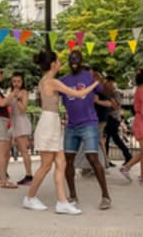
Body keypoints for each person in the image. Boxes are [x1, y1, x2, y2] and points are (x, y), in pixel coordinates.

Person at [23, 50, 99, 215]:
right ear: (53, 64)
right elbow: (79, 94)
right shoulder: (51, 81)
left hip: (53, 123)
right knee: (46, 165)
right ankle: (29, 198)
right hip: (49, 123)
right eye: (58, 61)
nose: (60, 63)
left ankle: (62, 201)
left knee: (61, 163)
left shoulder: (46, 81)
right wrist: (95, 83)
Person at [59, 50, 112, 210]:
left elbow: (107, 92)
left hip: (89, 123)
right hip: (71, 125)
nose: (74, 62)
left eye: (77, 60)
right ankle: (73, 195)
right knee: (68, 160)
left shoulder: (89, 77)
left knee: (92, 158)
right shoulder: (64, 80)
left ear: (81, 61)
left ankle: (105, 196)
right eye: (71, 60)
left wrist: (101, 80)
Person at [97, 74, 132, 169]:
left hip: (113, 118)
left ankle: (127, 155)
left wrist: (108, 99)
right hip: (109, 118)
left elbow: (115, 105)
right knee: (108, 139)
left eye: (107, 82)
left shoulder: (116, 92)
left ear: (110, 82)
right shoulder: (110, 91)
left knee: (115, 138)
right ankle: (107, 159)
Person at [7, 73, 34, 185]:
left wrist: (17, 99)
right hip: (13, 123)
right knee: (5, 149)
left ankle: (29, 175)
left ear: (22, 82)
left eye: (18, 81)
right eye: (14, 81)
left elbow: (23, 109)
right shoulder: (11, 92)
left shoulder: (24, 93)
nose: (16, 84)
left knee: (24, 151)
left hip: (21, 123)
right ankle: (3, 172)